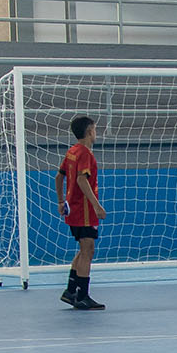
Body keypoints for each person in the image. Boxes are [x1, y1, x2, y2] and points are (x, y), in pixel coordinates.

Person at [55, 115, 107, 310]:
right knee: (88, 251)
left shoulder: (72, 152)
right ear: (89, 131)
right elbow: (81, 180)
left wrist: (61, 201)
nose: (96, 133)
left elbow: (58, 178)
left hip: (73, 209)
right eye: (95, 129)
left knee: (83, 250)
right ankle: (83, 295)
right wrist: (96, 205)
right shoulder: (85, 153)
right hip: (84, 211)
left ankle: (70, 291)